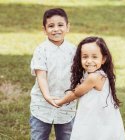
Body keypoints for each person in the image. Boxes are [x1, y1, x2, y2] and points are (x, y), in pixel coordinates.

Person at [54, 36, 125, 140]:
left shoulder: (94, 77)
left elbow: (76, 93)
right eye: (85, 57)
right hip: (99, 115)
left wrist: (60, 102)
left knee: (91, 135)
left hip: (95, 117)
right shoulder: (97, 73)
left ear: (103, 59)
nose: (89, 61)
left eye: (94, 57)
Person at [29, 8, 77, 140]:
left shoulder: (74, 50)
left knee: (66, 137)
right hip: (41, 105)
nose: (56, 29)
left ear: (68, 27)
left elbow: (77, 76)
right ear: (44, 30)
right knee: (39, 136)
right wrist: (47, 96)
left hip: (67, 104)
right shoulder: (41, 50)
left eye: (60, 25)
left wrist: (71, 95)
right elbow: (41, 76)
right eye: (51, 26)